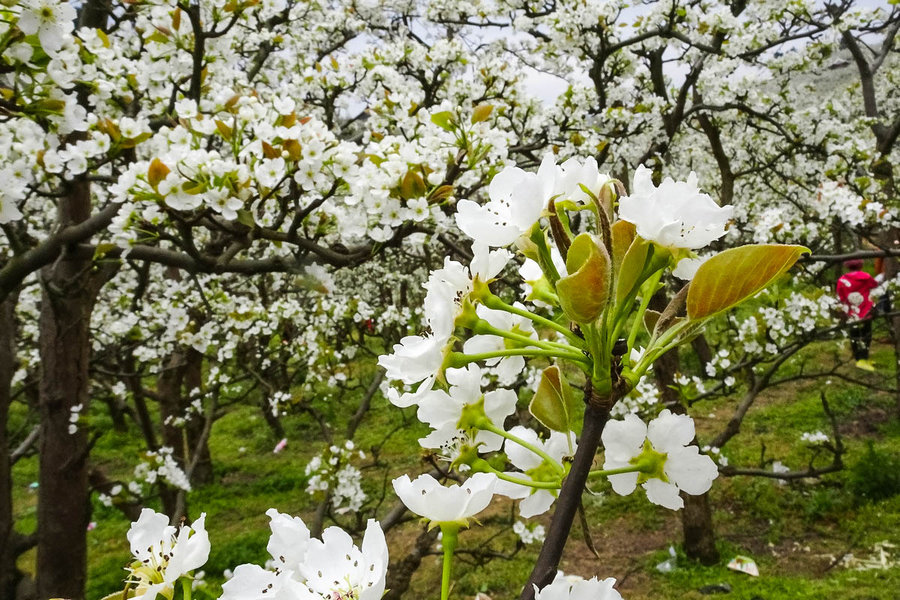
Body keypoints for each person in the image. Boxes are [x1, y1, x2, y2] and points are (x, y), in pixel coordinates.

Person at [836, 259, 878, 371]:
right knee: (867, 335)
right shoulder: (866, 277)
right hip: (865, 311)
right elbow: (875, 285)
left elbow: (840, 296)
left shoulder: (842, 280)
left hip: (851, 313)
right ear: (860, 265)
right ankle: (863, 358)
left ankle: (859, 358)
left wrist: (842, 310)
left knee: (854, 335)